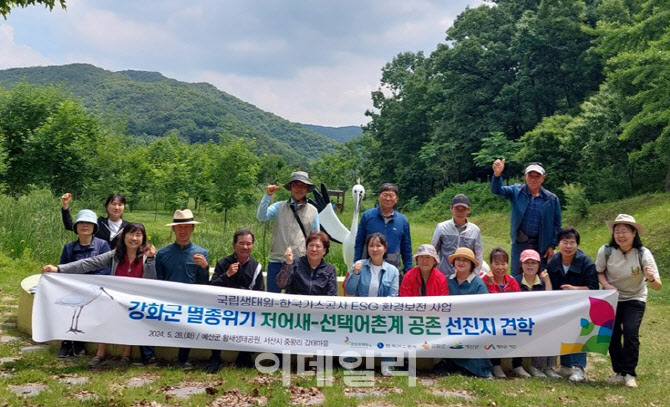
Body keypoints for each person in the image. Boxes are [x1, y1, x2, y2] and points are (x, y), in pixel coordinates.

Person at [42, 223, 157, 367]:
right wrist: (59, 269)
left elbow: (152, 281)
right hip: (115, 298)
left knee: (131, 321)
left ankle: (126, 355)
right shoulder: (115, 255)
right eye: (130, 234)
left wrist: (151, 259)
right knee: (107, 316)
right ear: (124, 237)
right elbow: (89, 263)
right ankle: (100, 354)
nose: (134, 238)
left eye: (138, 235)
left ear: (143, 238)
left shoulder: (148, 257)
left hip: (136, 301)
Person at [596, 214, 662, 388]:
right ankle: (619, 372)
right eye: (617, 231)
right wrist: (606, 284)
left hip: (635, 297)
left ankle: (630, 373)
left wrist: (651, 278)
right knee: (612, 335)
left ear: (634, 233)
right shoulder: (607, 250)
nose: (620, 235)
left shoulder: (642, 253)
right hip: (612, 298)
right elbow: (599, 271)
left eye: (624, 231)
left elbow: (657, 286)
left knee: (631, 333)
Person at [156, 209, 210, 367]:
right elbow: (159, 279)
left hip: (191, 300)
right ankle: (151, 357)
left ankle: (183, 359)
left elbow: (204, 283)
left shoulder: (201, 253)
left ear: (192, 228)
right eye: (179, 227)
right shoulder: (163, 254)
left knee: (188, 329)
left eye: (186, 227)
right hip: (168, 299)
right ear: (173, 229)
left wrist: (205, 268)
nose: (183, 230)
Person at [55, 209, 112, 358]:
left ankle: (78, 342)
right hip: (73, 288)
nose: (85, 226)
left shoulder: (103, 245)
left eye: (89, 223)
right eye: (81, 223)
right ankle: (66, 342)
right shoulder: (69, 247)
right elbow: (63, 269)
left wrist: (90, 283)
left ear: (94, 227)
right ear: (76, 228)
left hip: (94, 289)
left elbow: (106, 269)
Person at [491, 159, 561, 276]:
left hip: (541, 245)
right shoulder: (516, 191)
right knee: (517, 276)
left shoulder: (551, 199)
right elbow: (497, 190)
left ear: (543, 178)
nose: (533, 179)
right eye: (530, 175)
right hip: (520, 243)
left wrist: (552, 245)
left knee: (540, 277)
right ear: (525, 176)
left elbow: (557, 225)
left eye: (537, 176)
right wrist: (497, 175)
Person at [207, 229, 264, 373]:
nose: (245, 247)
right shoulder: (223, 263)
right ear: (234, 245)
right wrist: (227, 275)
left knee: (252, 321)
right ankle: (215, 358)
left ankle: (244, 357)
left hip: (246, 310)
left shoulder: (256, 267)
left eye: (248, 244)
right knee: (216, 321)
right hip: (224, 308)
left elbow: (260, 293)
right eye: (241, 243)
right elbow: (212, 287)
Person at [546, 227, 598, 381]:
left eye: (572, 243)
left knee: (580, 333)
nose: (568, 246)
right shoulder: (554, 261)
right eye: (564, 242)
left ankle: (579, 368)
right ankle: (566, 366)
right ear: (558, 244)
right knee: (563, 331)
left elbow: (594, 288)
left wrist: (575, 289)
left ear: (577, 244)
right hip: (561, 305)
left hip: (582, 305)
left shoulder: (586, 262)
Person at [344, 232, 399, 375]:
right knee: (354, 330)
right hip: (360, 312)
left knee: (388, 328)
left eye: (378, 245)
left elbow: (393, 295)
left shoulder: (392, 271)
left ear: (385, 248)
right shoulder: (358, 265)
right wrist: (355, 274)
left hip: (382, 312)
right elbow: (349, 290)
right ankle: (350, 361)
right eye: (371, 246)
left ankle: (387, 365)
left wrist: (378, 308)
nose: (375, 249)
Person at [257, 171, 320, 293]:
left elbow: (316, 238)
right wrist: (267, 196)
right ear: (290, 188)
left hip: (300, 263)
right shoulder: (279, 206)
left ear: (307, 189)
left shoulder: (313, 211)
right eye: (296, 185)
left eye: (303, 186)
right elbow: (262, 216)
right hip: (276, 260)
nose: (299, 189)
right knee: (272, 299)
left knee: (295, 300)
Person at [439, 247, 491, 377]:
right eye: (458, 260)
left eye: (465, 261)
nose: (461, 263)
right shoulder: (446, 280)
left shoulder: (478, 284)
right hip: (449, 324)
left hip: (472, 325)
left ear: (471, 265)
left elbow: (485, 307)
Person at [354, 183, 412, 274]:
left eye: (391, 195)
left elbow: (407, 248)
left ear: (396, 199)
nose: (388, 199)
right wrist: (356, 264)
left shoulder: (402, 220)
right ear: (379, 196)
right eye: (385, 195)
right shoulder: (367, 216)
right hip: (368, 268)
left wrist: (408, 271)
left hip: (392, 269)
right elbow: (359, 243)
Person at [482, 247, 522, 378]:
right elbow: (488, 301)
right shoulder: (483, 280)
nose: (500, 267)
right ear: (490, 264)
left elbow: (518, 300)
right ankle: (496, 365)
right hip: (489, 318)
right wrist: (491, 284)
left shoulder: (511, 281)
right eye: (496, 263)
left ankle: (517, 365)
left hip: (509, 317)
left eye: (503, 263)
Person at [514, 249, 554, 378]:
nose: (530, 266)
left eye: (534, 263)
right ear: (521, 264)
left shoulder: (542, 281)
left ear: (538, 265)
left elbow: (550, 299)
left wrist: (547, 281)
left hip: (539, 317)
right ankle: (529, 366)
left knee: (551, 327)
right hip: (520, 318)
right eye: (527, 262)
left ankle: (547, 367)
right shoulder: (516, 280)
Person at [431, 194, 483, 276]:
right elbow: (433, 252)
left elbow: (479, 254)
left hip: (466, 277)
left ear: (469, 210)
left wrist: (474, 275)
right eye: (457, 208)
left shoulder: (475, 230)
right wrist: (434, 274)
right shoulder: (441, 228)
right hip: (444, 275)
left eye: (463, 209)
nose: (460, 212)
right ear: (451, 208)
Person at [277, 231, 337, 296]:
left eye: (318, 246)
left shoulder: (329, 270)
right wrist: (288, 263)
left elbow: (332, 295)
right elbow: (281, 284)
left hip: (318, 305)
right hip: (295, 304)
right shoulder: (295, 263)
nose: (314, 249)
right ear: (306, 248)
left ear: (324, 250)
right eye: (311, 245)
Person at [61, 193, 129, 248]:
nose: (116, 207)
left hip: (120, 263)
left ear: (124, 207)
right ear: (106, 206)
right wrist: (65, 206)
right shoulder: (98, 223)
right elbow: (69, 226)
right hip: (97, 261)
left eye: (120, 205)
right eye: (113, 204)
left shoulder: (128, 227)